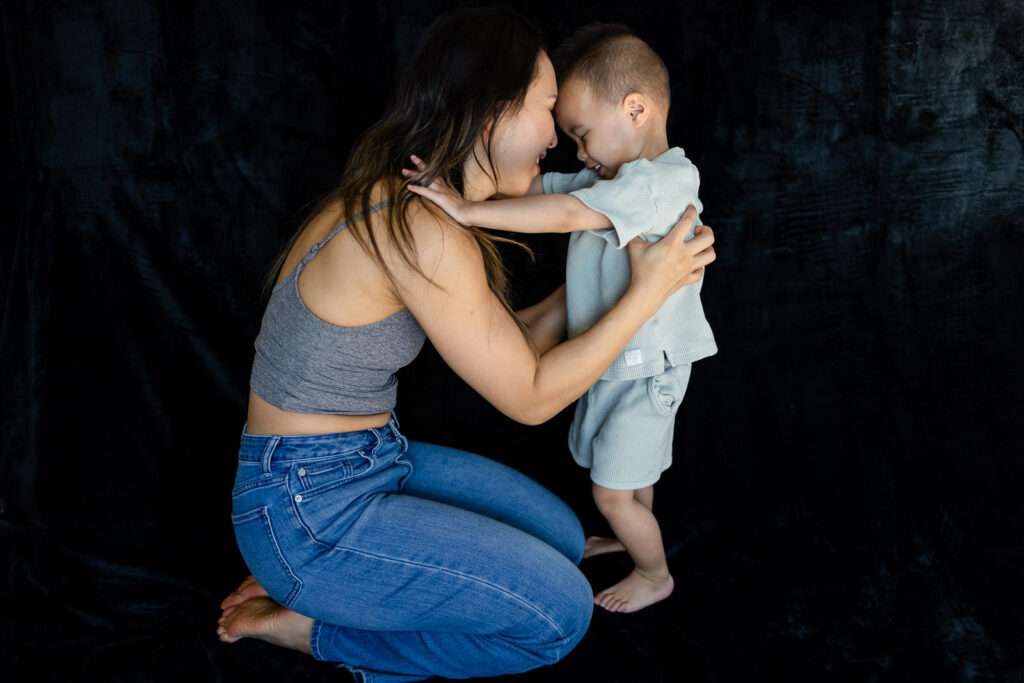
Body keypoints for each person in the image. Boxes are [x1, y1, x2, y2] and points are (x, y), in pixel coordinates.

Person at [216, 8, 715, 683]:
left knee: (567, 537)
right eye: (547, 111)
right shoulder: (423, 228)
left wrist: (621, 266)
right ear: (493, 111)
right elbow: (533, 396)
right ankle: (321, 624)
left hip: (358, 462)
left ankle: (322, 570)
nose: (559, 143)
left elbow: (518, 342)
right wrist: (647, 295)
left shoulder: (410, 200)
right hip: (311, 501)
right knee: (560, 614)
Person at [406, 23, 716, 614]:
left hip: (649, 372)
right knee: (626, 476)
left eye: (582, 132)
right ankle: (626, 530)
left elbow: (567, 210)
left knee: (611, 491)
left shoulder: (662, 183)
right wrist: (463, 182)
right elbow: (541, 187)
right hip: (620, 362)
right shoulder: (616, 179)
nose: (579, 151)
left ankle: (654, 573)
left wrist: (469, 213)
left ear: (635, 109)